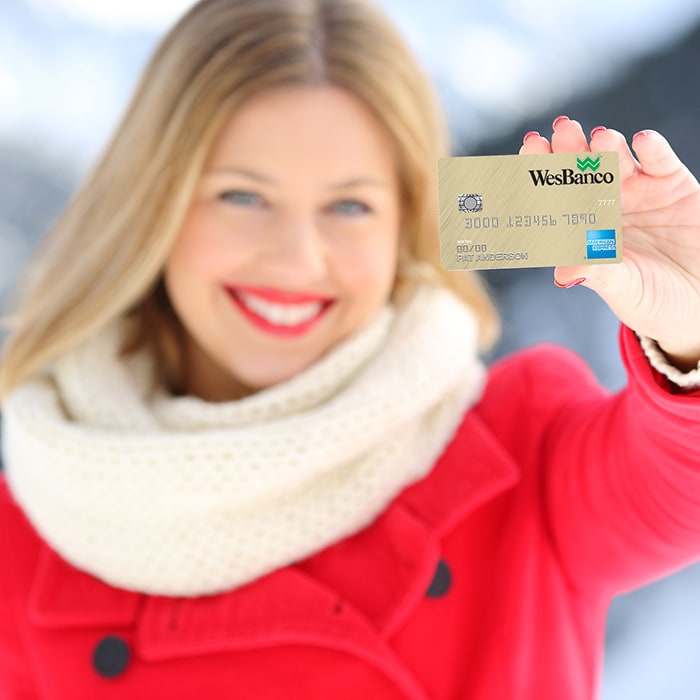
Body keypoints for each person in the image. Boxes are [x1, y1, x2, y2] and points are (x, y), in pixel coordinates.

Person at [1, 0, 699, 697]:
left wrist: (690, 324)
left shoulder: (520, 447)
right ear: (152, 204)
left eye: (350, 206)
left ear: (403, 226)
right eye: (242, 197)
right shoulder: (27, 531)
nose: (300, 259)